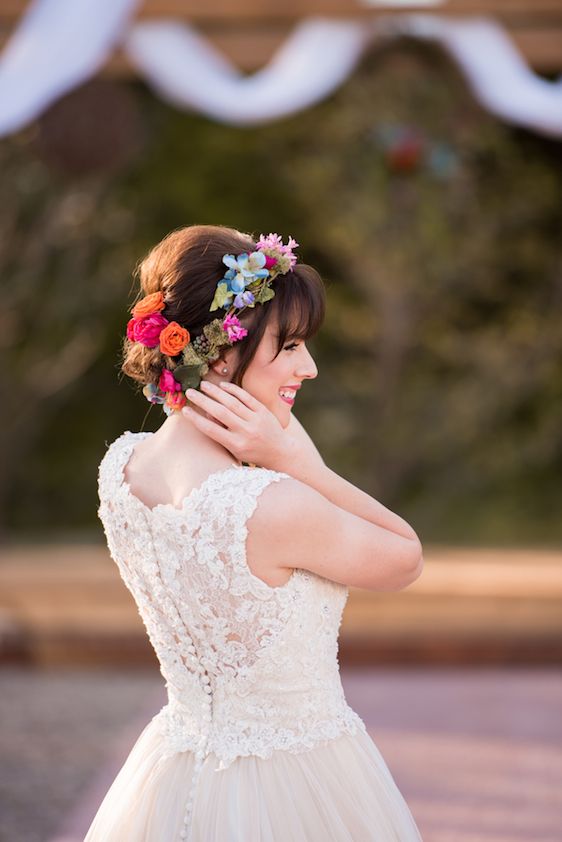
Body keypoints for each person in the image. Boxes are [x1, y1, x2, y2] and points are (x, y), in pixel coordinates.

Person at [86, 224, 424, 841]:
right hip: (298, 778)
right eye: (290, 345)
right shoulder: (271, 504)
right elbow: (405, 556)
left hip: (174, 765)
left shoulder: (122, 470)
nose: (309, 367)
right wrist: (304, 465)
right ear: (218, 351)